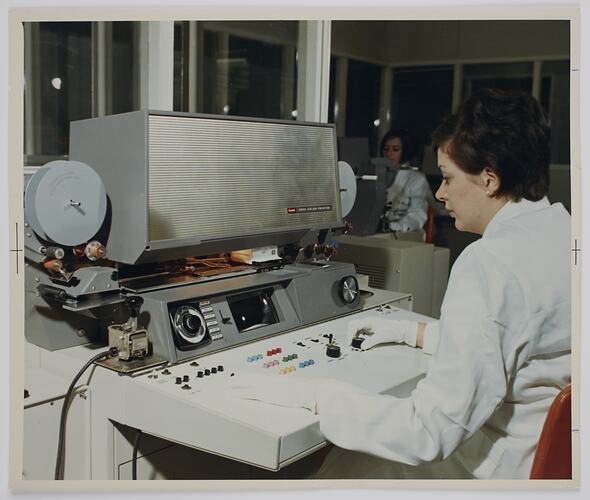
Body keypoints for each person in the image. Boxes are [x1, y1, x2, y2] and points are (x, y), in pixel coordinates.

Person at [224, 89, 571, 479]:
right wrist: (415, 333)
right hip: (542, 463)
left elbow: (427, 433)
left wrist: (317, 396)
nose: (440, 192)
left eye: (447, 177)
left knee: (341, 468)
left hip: (491, 473)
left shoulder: (490, 263)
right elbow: (516, 350)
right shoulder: (565, 234)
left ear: (489, 179)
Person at [374, 128, 432, 233]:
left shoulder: (417, 179)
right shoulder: (375, 174)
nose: (389, 154)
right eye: (386, 149)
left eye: (395, 149)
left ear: (405, 151)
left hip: (406, 233)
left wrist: (397, 226)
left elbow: (417, 214)